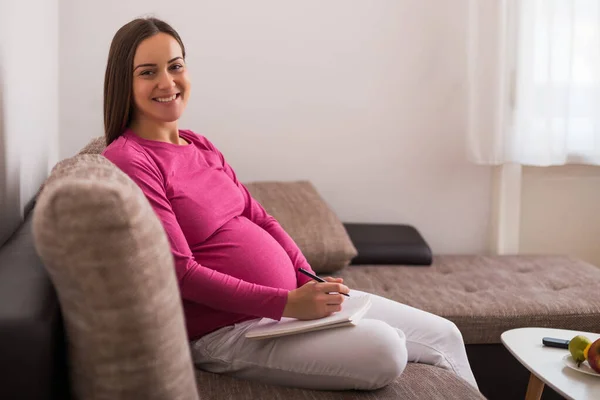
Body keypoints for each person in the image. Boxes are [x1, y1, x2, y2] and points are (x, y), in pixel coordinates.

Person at [101, 17, 478, 391]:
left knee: (445, 333)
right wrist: (287, 304)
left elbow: (260, 218)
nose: (167, 82)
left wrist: (306, 277)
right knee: (387, 349)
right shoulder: (131, 160)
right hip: (229, 330)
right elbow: (181, 273)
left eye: (176, 66)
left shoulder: (198, 144)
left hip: (290, 306)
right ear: (125, 82)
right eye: (148, 72)